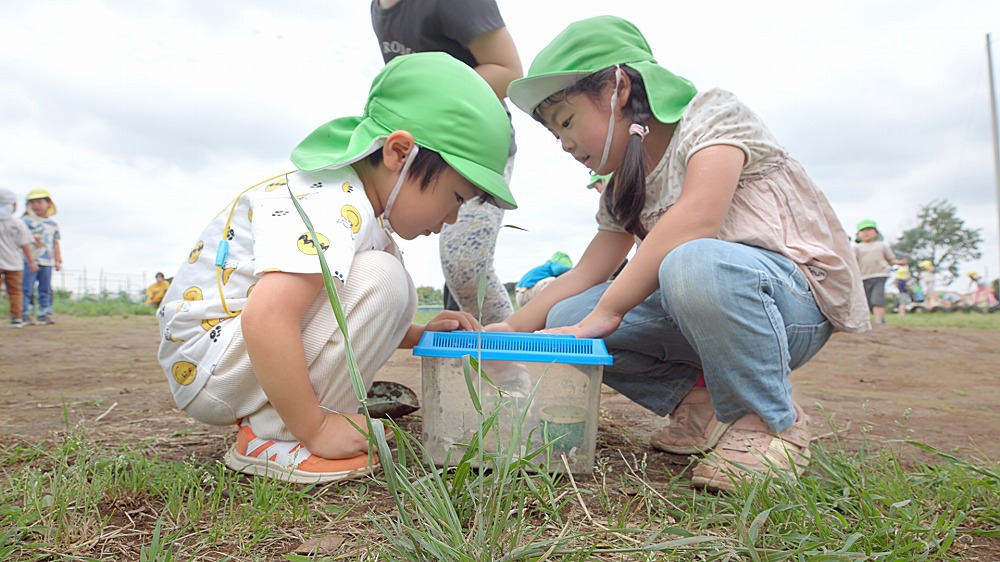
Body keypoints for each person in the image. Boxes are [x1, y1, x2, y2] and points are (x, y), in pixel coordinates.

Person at [493, 16, 870, 493]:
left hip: (789, 304)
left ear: (618, 88)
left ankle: (771, 421)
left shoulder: (709, 114)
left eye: (567, 122)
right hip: (700, 306)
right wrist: (510, 330)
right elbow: (590, 270)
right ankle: (703, 407)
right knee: (569, 316)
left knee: (692, 261)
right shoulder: (620, 183)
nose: (565, 144)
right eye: (555, 134)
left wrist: (608, 312)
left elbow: (698, 219)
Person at [156, 53, 516, 484]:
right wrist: (317, 427)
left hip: (226, 357)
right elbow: (268, 316)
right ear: (399, 153)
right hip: (213, 367)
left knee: (387, 279)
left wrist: (421, 334)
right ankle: (280, 436)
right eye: (457, 196)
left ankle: (294, 420)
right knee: (383, 279)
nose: (453, 218)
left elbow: (330, 309)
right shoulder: (329, 205)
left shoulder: (354, 206)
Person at [370, 0, 522, 325]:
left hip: (470, 147)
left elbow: (508, 70)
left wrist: (423, 103)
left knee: (465, 264)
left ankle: (509, 374)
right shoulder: (379, 8)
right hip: (417, 147)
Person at [21, 188, 62, 325]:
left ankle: (44, 313)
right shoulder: (26, 221)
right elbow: (19, 237)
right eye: (32, 203)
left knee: (45, 288)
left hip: (47, 261)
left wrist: (58, 259)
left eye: (39, 202)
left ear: (48, 203)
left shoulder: (53, 225)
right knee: (26, 287)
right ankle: (24, 312)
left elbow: (55, 243)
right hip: (29, 260)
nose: (36, 205)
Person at [854, 219, 905, 325]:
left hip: (879, 275)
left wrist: (899, 262)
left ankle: (879, 321)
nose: (866, 233)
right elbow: (852, 262)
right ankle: (865, 322)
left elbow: (890, 259)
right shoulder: (856, 248)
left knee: (877, 299)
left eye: (869, 230)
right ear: (858, 234)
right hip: (862, 277)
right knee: (864, 301)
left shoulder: (881, 246)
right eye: (863, 231)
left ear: (876, 233)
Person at [0, 188, 39, 328]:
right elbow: (25, 245)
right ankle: (16, 318)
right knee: (15, 292)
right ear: (12, 205)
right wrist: (31, 262)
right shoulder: (17, 223)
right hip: (14, 263)